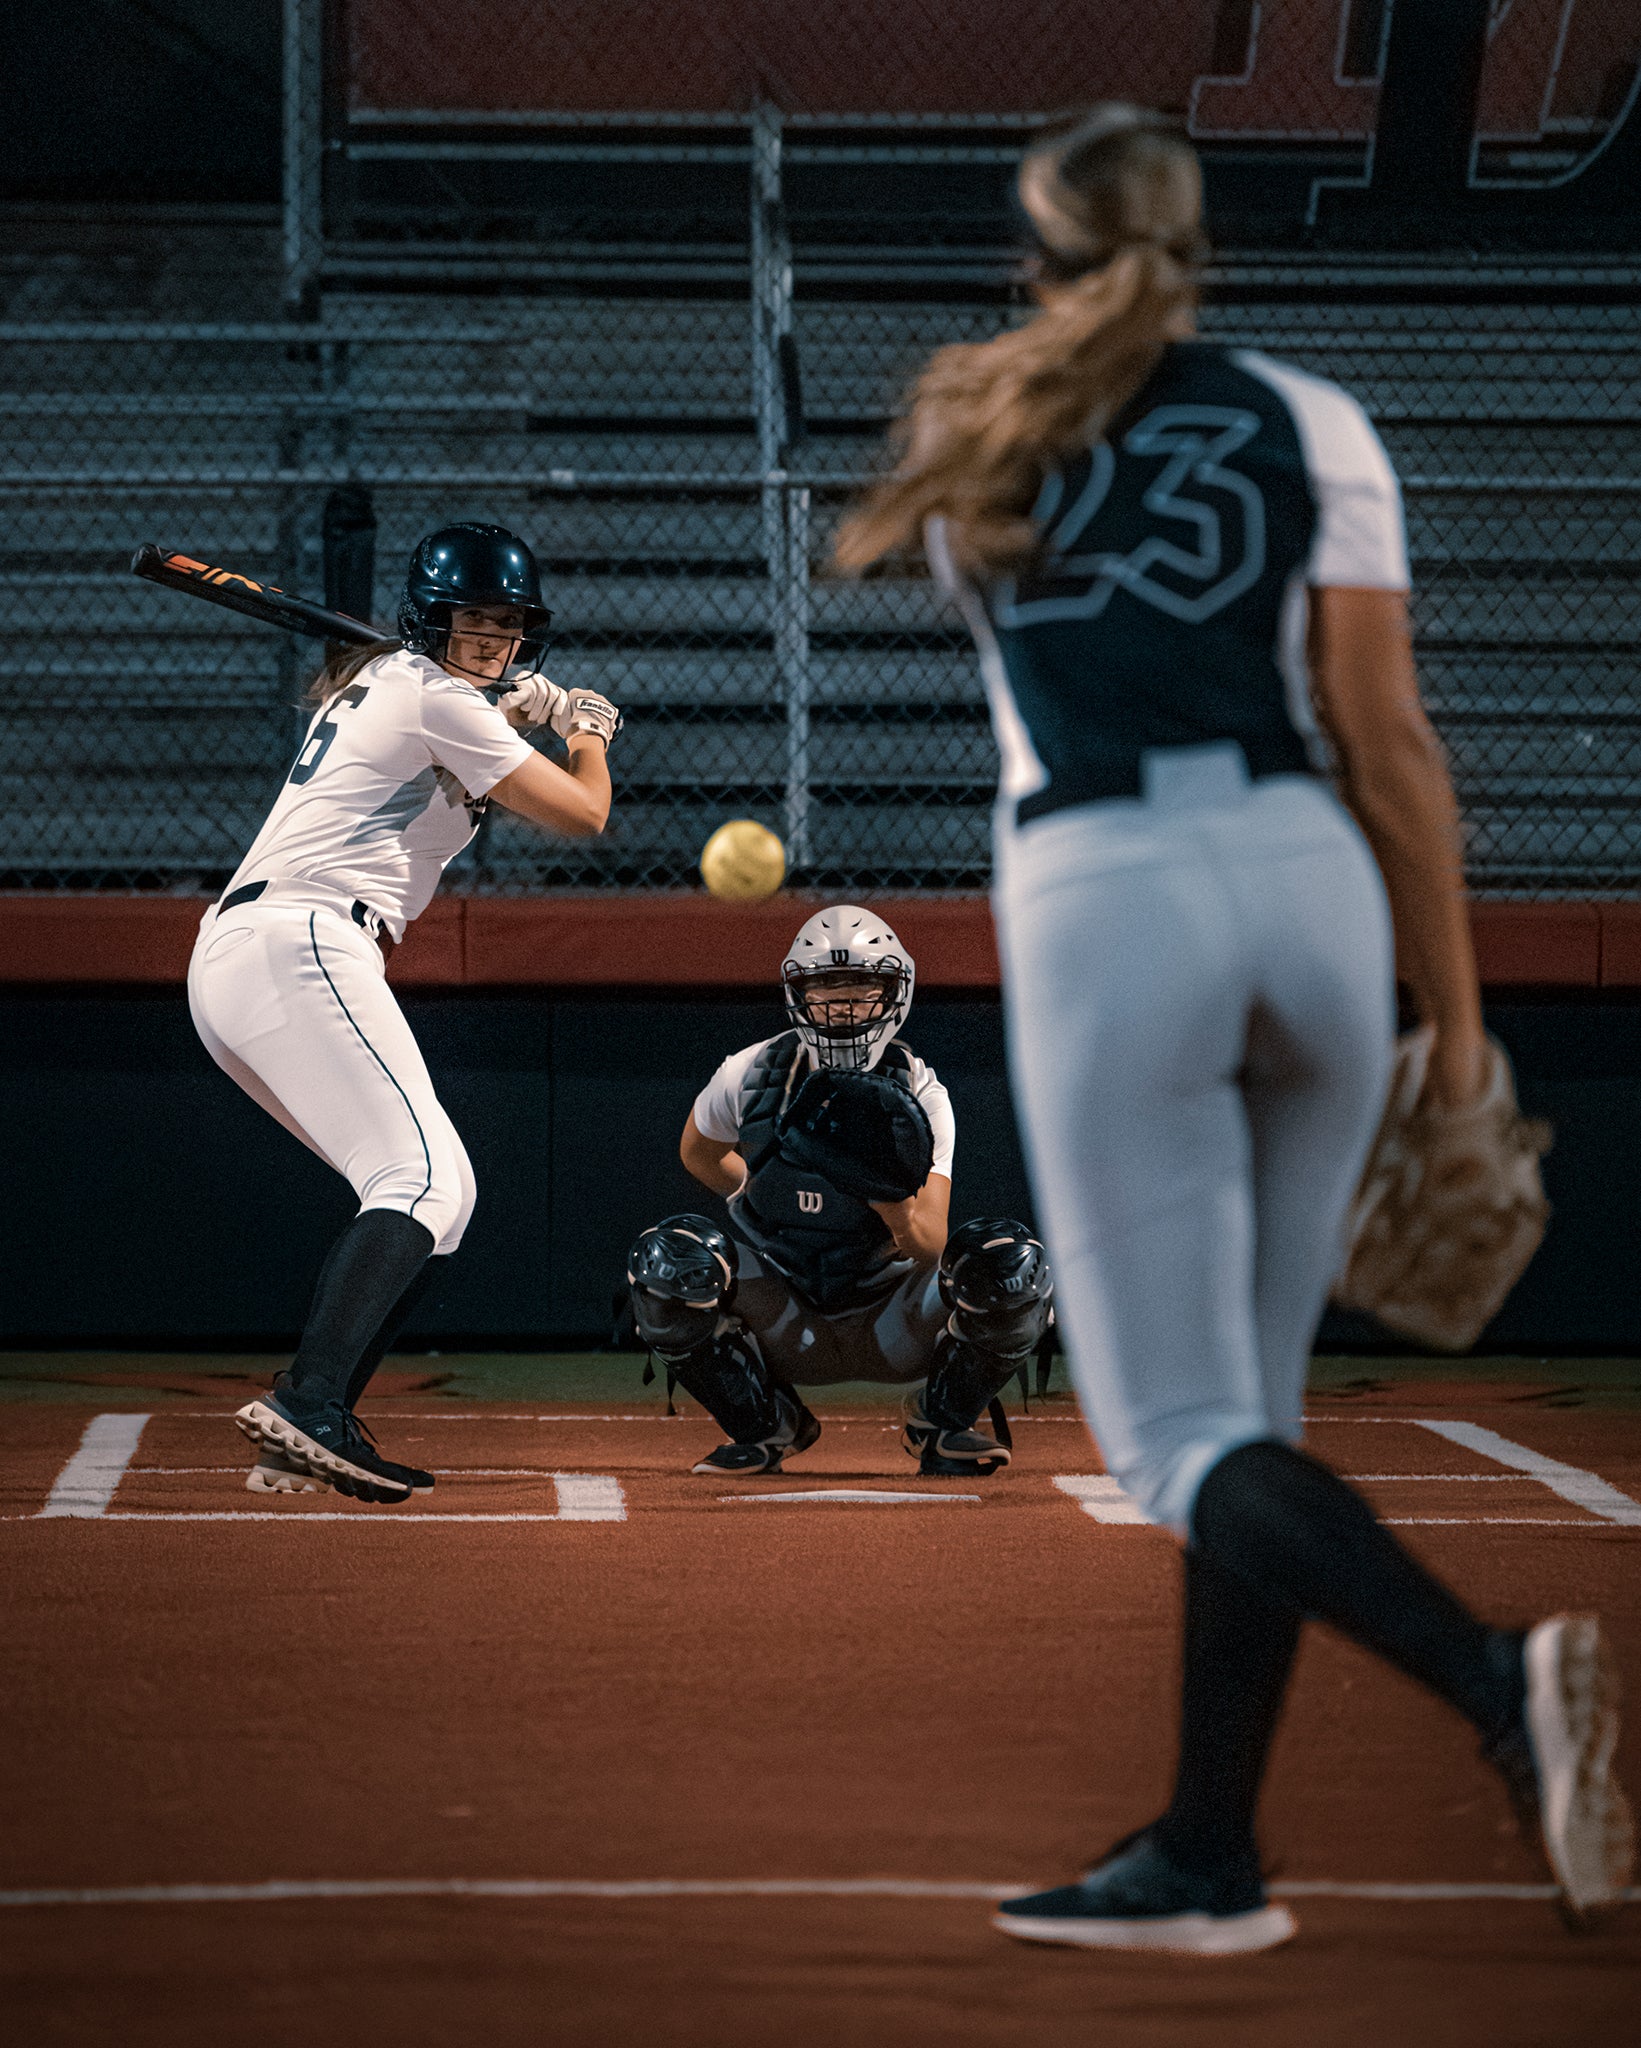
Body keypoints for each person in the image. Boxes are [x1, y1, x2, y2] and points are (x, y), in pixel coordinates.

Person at [835, 106, 1631, 1948]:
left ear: (1034, 249)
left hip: (1111, 884)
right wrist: (1462, 1025)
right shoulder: (1313, 416)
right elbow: (1391, 740)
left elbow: (1003, 595)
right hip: (1313, 874)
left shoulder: (986, 429)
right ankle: (1208, 1845)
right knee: (1250, 1412)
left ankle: (1499, 1680)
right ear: (1198, 245)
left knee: (1182, 1436)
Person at [188, 523, 621, 1505]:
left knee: (440, 1192)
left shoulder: (403, 688)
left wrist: (511, 701)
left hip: (259, 954)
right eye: (474, 619)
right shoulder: (429, 694)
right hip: (300, 942)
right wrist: (587, 727)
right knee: (421, 1176)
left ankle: (312, 1413)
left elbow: (463, 720)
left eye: (508, 623)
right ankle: (310, 1402)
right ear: (431, 618)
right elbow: (585, 813)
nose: (493, 638)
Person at [626, 904, 1053, 1477]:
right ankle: (764, 1423)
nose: (846, 1006)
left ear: (895, 993)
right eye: (827, 990)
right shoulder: (751, 1073)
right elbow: (697, 1152)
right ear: (799, 995)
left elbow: (930, 1243)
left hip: (891, 1317)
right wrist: (756, 1194)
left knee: (1010, 1266)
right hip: (785, 1308)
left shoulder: (922, 1093)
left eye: (862, 989)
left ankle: (941, 1421)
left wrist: (878, 1188)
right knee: (667, 1260)